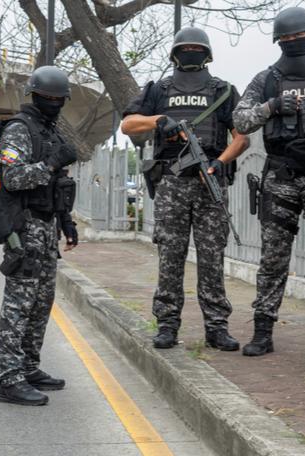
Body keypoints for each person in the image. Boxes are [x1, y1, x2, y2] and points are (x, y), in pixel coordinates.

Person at [121, 27, 249, 350]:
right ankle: (166, 325)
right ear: (176, 53)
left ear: (206, 54)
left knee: (211, 257)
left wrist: (220, 162)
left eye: (196, 48)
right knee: (170, 255)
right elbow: (127, 124)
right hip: (172, 183)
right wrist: (159, 121)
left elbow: (242, 137)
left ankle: (217, 327)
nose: (191, 52)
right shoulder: (158, 90)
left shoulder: (223, 90)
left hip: (209, 180)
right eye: (185, 48)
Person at [232, 7, 305, 357]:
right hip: (280, 176)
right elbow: (241, 119)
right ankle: (263, 332)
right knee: (272, 260)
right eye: (286, 38)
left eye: (298, 37)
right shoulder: (266, 79)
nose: (293, 41)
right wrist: (271, 107)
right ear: (278, 41)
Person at [0, 65, 79, 406]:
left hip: (48, 227)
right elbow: (12, 177)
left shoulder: (50, 131)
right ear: (34, 95)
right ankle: (10, 379)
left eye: (59, 99)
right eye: (48, 97)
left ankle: (29, 367)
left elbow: (58, 186)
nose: (54, 103)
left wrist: (67, 221)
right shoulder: (19, 129)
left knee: (42, 303)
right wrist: (51, 164)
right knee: (18, 305)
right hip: (24, 227)